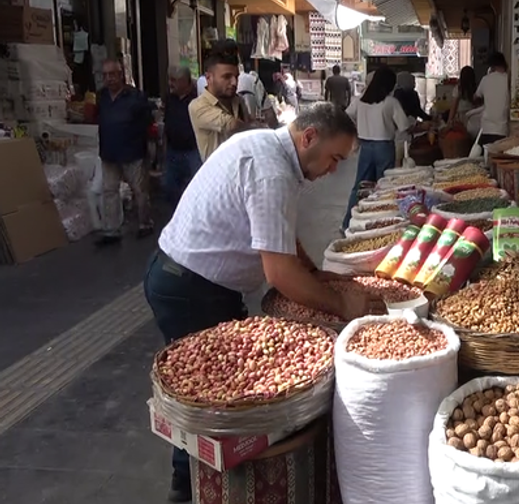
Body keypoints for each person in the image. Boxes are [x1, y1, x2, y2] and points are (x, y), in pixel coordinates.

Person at [145, 102, 382, 503]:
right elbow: (279, 275)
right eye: (334, 158)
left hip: (191, 280)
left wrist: (317, 274)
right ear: (308, 138)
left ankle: (199, 483)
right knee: (211, 403)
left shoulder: (264, 147)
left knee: (216, 392)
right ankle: (189, 489)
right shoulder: (272, 171)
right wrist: (341, 306)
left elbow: (280, 236)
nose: (334, 170)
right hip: (188, 285)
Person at [342, 66, 410, 230]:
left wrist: (357, 130)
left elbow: (346, 115)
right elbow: (404, 126)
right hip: (384, 148)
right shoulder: (391, 102)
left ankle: (347, 224)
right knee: (383, 188)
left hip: (366, 147)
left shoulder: (360, 101)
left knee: (360, 186)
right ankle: (381, 225)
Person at [96, 58, 154, 245]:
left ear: (121, 75)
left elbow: (147, 122)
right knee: (109, 191)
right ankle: (111, 230)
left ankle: (145, 224)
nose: (109, 79)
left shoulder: (135, 97)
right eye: (105, 75)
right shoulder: (102, 96)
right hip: (109, 152)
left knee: (139, 190)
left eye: (112, 74)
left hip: (132, 151)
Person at [189, 48, 250, 161]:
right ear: (209, 78)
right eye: (227, 77)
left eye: (236, 77)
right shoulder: (198, 106)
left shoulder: (238, 101)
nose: (234, 83)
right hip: (218, 175)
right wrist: (257, 128)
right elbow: (231, 124)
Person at [163, 66, 202, 206]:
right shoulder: (170, 98)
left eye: (174, 80)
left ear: (185, 81)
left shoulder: (197, 99)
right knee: (169, 187)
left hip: (192, 151)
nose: (170, 83)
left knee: (195, 186)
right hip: (173, 150)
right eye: (169, 79)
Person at [468, 52, 510, 148]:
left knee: (486, 157)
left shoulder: (485, 79)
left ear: (492, 66)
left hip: (486, 129)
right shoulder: (508, 79)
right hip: (502, 130)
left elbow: (475, 97)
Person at [447, 65, 480, 136]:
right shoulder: (477, 88)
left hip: (461, 119)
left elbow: (454, 108)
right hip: (475, 118)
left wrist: (449, 122)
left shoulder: (458, 89)